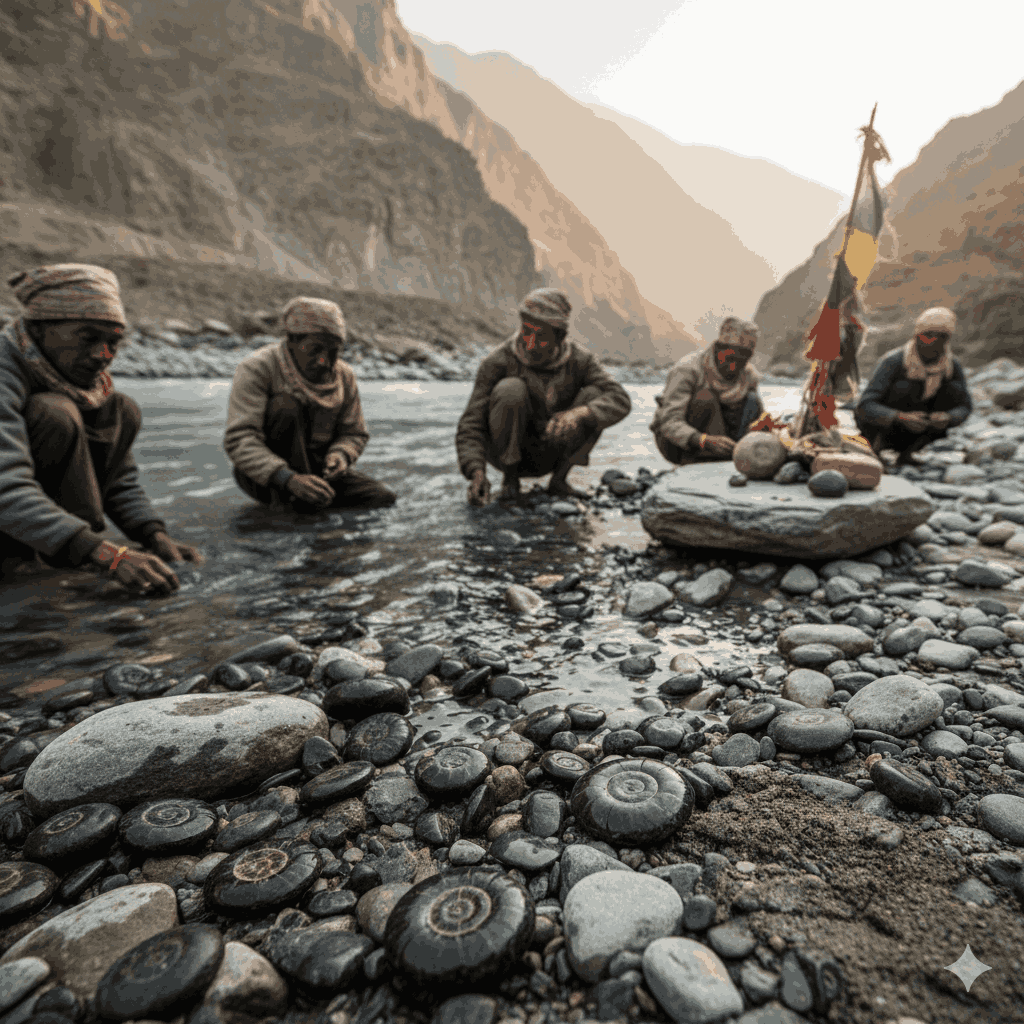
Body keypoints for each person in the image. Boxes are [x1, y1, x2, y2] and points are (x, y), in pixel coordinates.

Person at [0, 264, 202, 594]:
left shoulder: (85, 383)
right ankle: (29, 563)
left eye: (113, 342)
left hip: (49, 535)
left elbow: (119, 478)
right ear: (38, 329)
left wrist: (154, 535)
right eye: (88, 338)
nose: (103, 356)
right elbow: (4, 486)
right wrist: (107, 554)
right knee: (54, 412)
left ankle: (68, 554)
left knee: (120, 409)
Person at [456, 288, 632, 504]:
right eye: (526, 332)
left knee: (594, 395)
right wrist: (476, 472)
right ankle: (510, 483)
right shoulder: (498, 361)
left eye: (540, 337)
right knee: (510, 389)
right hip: (507, 454)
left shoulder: (581, 360)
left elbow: (620, 399)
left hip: (553, 452)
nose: (530, 343)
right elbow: (471, 424)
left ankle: (559, 481)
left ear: (560, 338)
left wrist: (581, 413)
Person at [224, 296, 396, 511]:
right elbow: (240, 439)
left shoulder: (344, 375)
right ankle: (294, 501)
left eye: (333, 352)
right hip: (267, 476)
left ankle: (309, 499)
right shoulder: (258, 368)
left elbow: (354, 433)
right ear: (292, 341)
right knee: (286, 406)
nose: (324, 361)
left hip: (318, 470)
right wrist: (289, 479)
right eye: (315, 350)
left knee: (382, 497)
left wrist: (340, 455)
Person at [854, 306, 971, 465]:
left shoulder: (952, 366)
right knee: (903, 388)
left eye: (942, 337)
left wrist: (948, 417)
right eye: (928, 335)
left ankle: (908, 452)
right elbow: (865, 405)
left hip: (922, 427)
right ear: (917, 336)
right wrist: (899, 417)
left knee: (952, 390)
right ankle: (875, 447)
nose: (934, 341)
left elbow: (965, 406)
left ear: (947, 340)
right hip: (887, 426)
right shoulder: (893, 361)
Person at [650, 316, 764, 464]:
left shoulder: (748, 376)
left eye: (741, 361)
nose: (733, 367)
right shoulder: (687, 369)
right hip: (680, 444)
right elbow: (669, 422)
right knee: (705, 397)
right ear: (718, 349)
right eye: (730, 358)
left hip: (725, 439)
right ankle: (700, 459)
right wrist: (703, 440)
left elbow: (757, 420)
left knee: (753, 401)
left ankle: (732, 454)